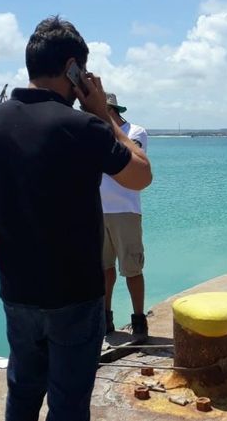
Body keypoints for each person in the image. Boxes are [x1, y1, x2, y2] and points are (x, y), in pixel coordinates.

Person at [0, 16, 152, 421]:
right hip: (73, 293)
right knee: (68, 405)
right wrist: (104, 114)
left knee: (22, 394)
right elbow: (141, 175)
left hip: (16, 291)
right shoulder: (84, 126)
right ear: (73, 68)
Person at [100, 92, 149, 341]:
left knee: (132, 269)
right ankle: (105, 319)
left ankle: (139, 320)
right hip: (98, 210)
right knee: (103, 269)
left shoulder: (135, 133)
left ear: (111, 110)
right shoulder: (93, 133)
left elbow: (131, 163)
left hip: (125, 212)